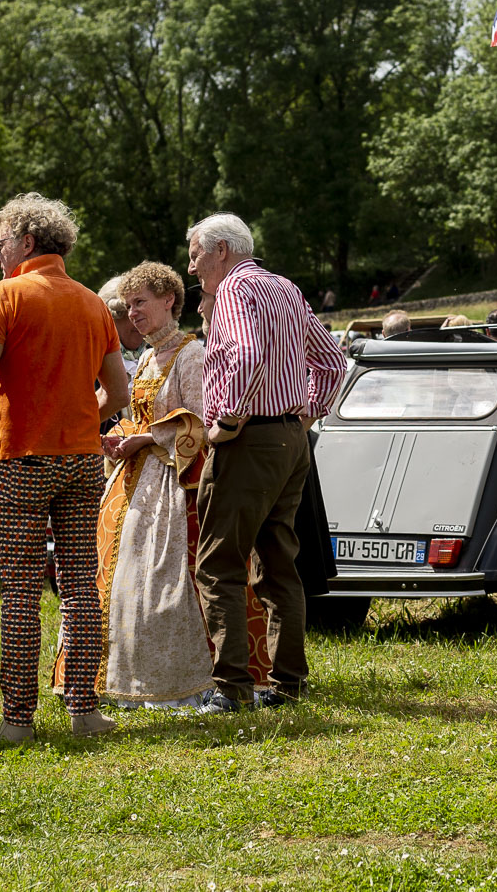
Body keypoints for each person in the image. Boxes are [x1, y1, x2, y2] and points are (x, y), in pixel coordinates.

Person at [0, 195, 131, 744]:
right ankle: (85, 710)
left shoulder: (7, 296)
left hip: (22, 462)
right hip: (83, 461)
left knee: (20, 593)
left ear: (27, 242)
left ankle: (18, 720)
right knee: (81, 586)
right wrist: (86, 422)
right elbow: (120, 391)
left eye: (2, 245)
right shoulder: (92, 303)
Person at [186, 212, 345, 713]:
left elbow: (248, 356)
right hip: (289, 441)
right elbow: (333, 359)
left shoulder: (234, 289)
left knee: (218, 565)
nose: (192, 268)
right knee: (279, 564)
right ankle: (288, 683)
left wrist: (229, 420)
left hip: (250, 439)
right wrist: (306, 414)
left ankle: (231, 688)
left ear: (222, 251)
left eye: (195, 254)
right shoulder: (284, 286)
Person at [91, 262, 261, 708]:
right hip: (139, 481)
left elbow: (203, 422)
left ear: (169, 300)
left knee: (173, 581)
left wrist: (145, 438)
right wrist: (123, 435)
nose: (134, 314)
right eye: (129, 306)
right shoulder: (146, 357)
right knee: (130, 581)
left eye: (141, 302)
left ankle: (191, 681)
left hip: (179, 482)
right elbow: (139, 415)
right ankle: (135, 677)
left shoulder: (192, 354)